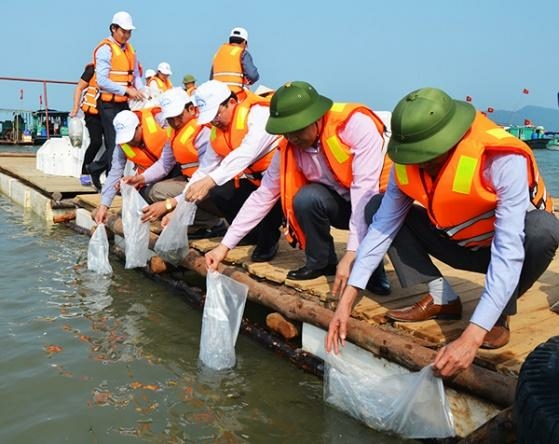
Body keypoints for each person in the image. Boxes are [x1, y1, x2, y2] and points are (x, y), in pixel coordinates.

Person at [326, 87, 559, 378]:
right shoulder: (406, 164)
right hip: (457, 242)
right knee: (376, 208)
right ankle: (442, 297)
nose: (418, 162)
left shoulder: (501, 159)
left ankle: (498, 315)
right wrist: (346, 302)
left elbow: (508, 251)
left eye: (426, 155)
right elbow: (383, 227)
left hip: (507, 248)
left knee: (544, 228)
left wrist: (472, 336)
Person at [205, 80, 392, 295]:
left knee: (371, 208)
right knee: (306, 198)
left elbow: (364, 191)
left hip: (374, 203)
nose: (292, 138)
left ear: (315, 117)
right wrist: (223, 247)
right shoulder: (288, 147)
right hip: (339, 203)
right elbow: (263, 196)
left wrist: (352, 253)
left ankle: (372, 268)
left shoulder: (354, 125)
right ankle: (321, 262)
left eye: (297, 130)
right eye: (286, 132)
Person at [185, 79, 283, 262]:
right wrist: (177, 203)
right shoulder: (218, 131)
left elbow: (246, 153)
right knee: (220, 192)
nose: (214, 122)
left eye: (217, 114)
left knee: (267, 195)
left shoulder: (259, 115)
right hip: (254, 181)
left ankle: (269, 238)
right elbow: (205, 168)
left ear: (231, 102)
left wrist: (209, 181)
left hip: (280, 184)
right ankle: (251, 234)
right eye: (210, 118)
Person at [125, 87, 225, 234]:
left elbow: (205, 177)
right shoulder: (174, 133)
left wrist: (168, 206)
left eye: (178, 115)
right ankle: (196, 220)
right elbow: (164, 164)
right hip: (192, 184)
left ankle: (215, 222)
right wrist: (140, 178)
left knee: (160, 194)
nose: (175, 121)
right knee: (150, 191)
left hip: (210, 189)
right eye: (170, 118)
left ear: (191, 109)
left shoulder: (203, 133)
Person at [88, 11, 144, 191]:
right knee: (113, 144)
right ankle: (112, 186)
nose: (127, 35)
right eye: (124, 31)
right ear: (113, 29)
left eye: (129, 32)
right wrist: (126, 90)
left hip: (124, 103)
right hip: (108, 104)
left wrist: (141, 90)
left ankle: (95, 168)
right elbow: (102, 80)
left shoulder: (130, 49)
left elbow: (135, 75)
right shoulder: (105, 49)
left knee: (125, 142)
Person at [94, 108, 170, 224]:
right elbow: (115, 172)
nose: (130, 142)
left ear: (139, 126)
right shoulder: (122, 146)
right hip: (149, 179)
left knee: (155, 192)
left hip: (173, 172)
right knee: (136, 203)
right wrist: (104, 205)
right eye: (126, 139)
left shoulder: (159, 121)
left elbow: (166, 163)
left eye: (131, 137)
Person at [69, 63, 104, 187]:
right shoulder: (91, 70)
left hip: (108, 112)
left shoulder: (116, 71)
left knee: (113, 144)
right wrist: (75, 108)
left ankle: (106, 173)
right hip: (92, 114)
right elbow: (79, 88)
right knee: (96, 141)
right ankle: (84, 171)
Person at [210, 27, 259, 99]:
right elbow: (253, 75)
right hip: (235, 96)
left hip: (217, 97)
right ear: (244, 42)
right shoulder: (242, 53)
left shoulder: (218, 54)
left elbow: (211, 78)